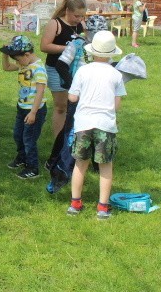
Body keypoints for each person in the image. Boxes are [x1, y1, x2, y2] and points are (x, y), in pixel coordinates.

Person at [66, 31, 126, 220]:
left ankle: (75, 204)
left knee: (80, 164)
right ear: (111, 54)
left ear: (92, 52)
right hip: (105, 125)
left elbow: (72, 97)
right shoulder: (116, 74)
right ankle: (102, 208)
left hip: (84, 123)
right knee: (105, 165)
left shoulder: (83, 71)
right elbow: (117, 105)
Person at [40, 0, 87, 143]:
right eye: (76, 15)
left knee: (75, 104)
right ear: (67, 10)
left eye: (82, 16)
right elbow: (44, 46)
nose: (79, 19)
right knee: (61, 107)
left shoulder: (80, 24)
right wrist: (69, 49)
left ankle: (73, 137)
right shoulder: (55, 24)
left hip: (76, 70)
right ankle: (58, 142)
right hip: (56, 69)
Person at [1, 35, 48, 179]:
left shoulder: (38, 69)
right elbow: (6, 67)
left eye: (17, 58)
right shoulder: (24, 64)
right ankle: (22, 157)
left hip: (34, 110)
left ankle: (33, 168)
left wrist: (33, 112)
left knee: (29, 139)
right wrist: (5, 54)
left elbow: (40, 91)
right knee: (18, 135)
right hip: (22, 107)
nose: (17, 61)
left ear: (27, 54)